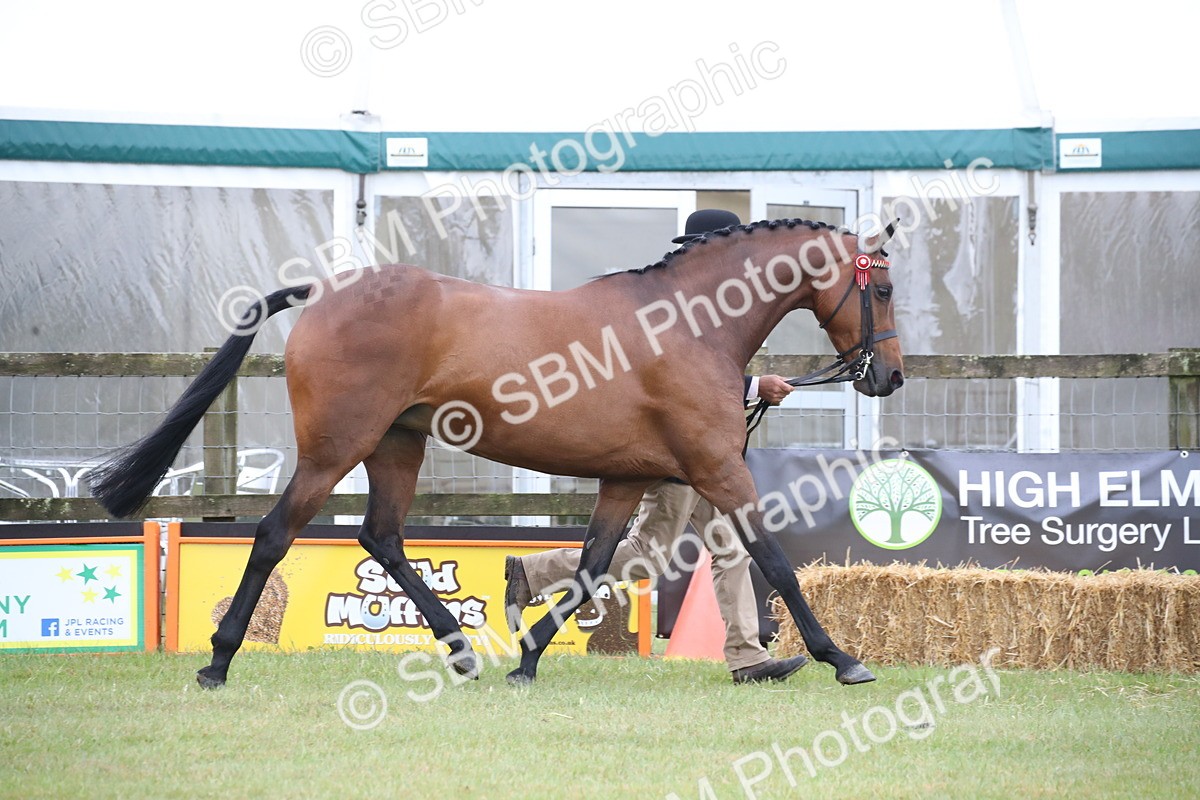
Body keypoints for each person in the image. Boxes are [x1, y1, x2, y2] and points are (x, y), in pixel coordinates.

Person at [504, 209, 807, 684]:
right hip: (668, 459)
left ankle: (748, 658)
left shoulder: (710, 309)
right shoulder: (675, 309)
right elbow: (677, 383)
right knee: (647, 556)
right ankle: (533, 572)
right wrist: (753, 387)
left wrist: (748, 389)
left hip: (699, 461)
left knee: (731, 548)